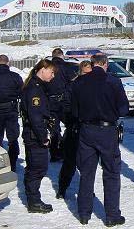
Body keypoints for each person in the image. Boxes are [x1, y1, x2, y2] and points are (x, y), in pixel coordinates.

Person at [73, 54, 129, 226]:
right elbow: (124, 109)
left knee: (87, 173)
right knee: (111, 173)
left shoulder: (79, 82)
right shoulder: (113, 81)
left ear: (92, 64)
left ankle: (83, 213)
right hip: (107, 131)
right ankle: (112, 215)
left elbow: (74, 111)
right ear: (105, 64)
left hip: (86, 130)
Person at [20, 59, 56, 213]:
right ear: (43, 69)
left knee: (36, 167)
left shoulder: (37, 86)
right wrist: (44, 137)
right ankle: (33, 201)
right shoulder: (34, 89)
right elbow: (35, 116)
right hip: (34, 135)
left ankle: (33, 199)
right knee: (37, 168)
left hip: (34, 133)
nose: (53, 76)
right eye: (51, 72)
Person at [56, 59, 92, 200]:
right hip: (74, 129)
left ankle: (87, 189)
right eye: (84, 73)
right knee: (69, 163)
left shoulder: (94, 87)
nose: (86, 76)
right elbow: (64, 108)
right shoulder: (72, 86)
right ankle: (62, 188)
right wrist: (73, 121)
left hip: (89, 130)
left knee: (88, 164)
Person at [46, 48, 75, 162]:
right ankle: (66, 150)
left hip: (50, 103)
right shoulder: (67, 67)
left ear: (52, 56)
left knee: (54, 129)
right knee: (71, 126)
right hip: (65, 103)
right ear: (62, 56)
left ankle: (54, 153)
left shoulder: (47, 68)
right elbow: (73, 84)